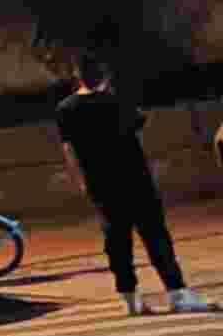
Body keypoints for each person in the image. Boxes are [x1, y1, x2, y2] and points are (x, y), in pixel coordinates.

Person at [54, 56, 212, 315]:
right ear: (105, 76)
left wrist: (83, 182)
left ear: (78, 76)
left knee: (117, 241)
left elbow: (69, 150)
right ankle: (177, 293)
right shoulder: (117, 101)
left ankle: (130, 299)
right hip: (135, 178)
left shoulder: (65, 109)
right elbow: (138, 126)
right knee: (156, 236)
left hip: (100, 183)